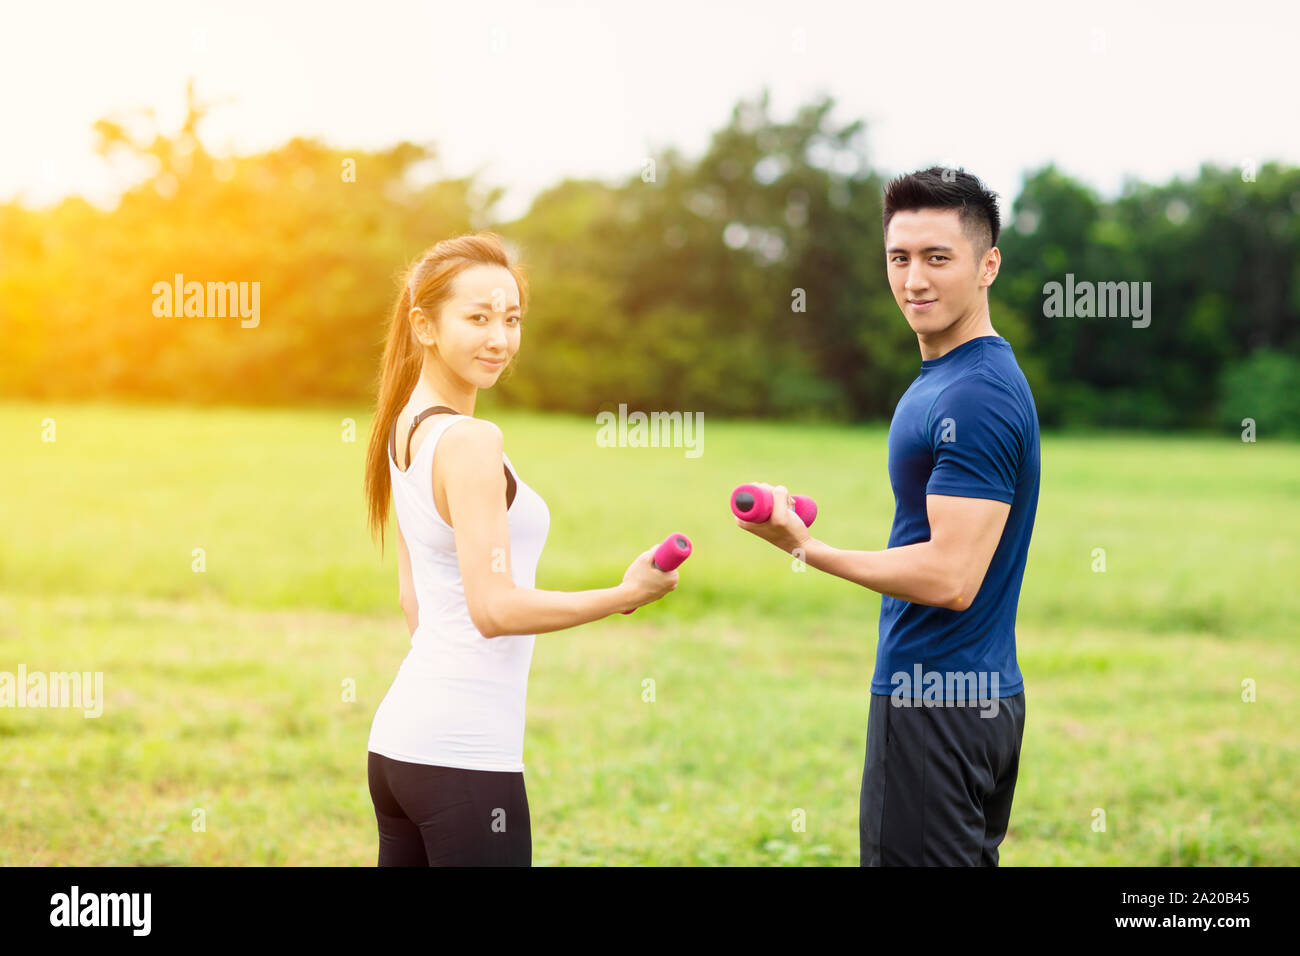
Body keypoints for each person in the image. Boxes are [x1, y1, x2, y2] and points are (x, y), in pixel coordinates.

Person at [736, 167, 1039, 866]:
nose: (914, 280)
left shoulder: (974, 394)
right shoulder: (954, 379)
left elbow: (952, 576)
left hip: (937, 700)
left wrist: (806, 547)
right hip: (968, 693)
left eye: (939, 258)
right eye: (899, 258)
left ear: (988, 264)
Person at [362, 232, 678, 866]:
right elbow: (494, 610)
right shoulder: (470, 441)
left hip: (399, 748)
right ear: (424, 325)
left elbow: (414, 598)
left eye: (511, 319)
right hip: (462, 757)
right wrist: (623, 596)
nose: (500, 339)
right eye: (477, 318)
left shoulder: (403, 427)